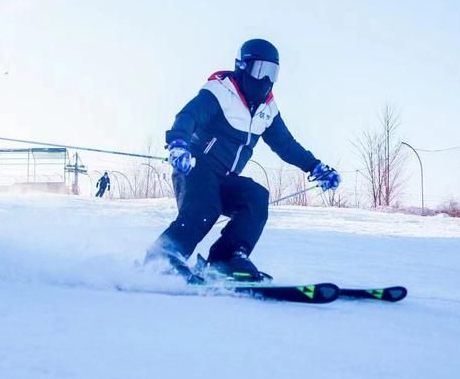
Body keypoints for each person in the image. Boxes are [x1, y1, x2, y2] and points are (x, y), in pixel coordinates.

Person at [145, 39, 341, 282]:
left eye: (272, 73)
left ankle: (226, 258)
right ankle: (162, 257)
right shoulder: (220, 91)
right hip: (195, 167)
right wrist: (178, 143)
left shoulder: (266, 109)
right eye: (260, 70)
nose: (266, 80)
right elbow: (188, 116)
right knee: (206, 208)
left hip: (226, 177)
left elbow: (286, 144)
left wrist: (316, 167)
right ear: (242, 67)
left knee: (255, 197)